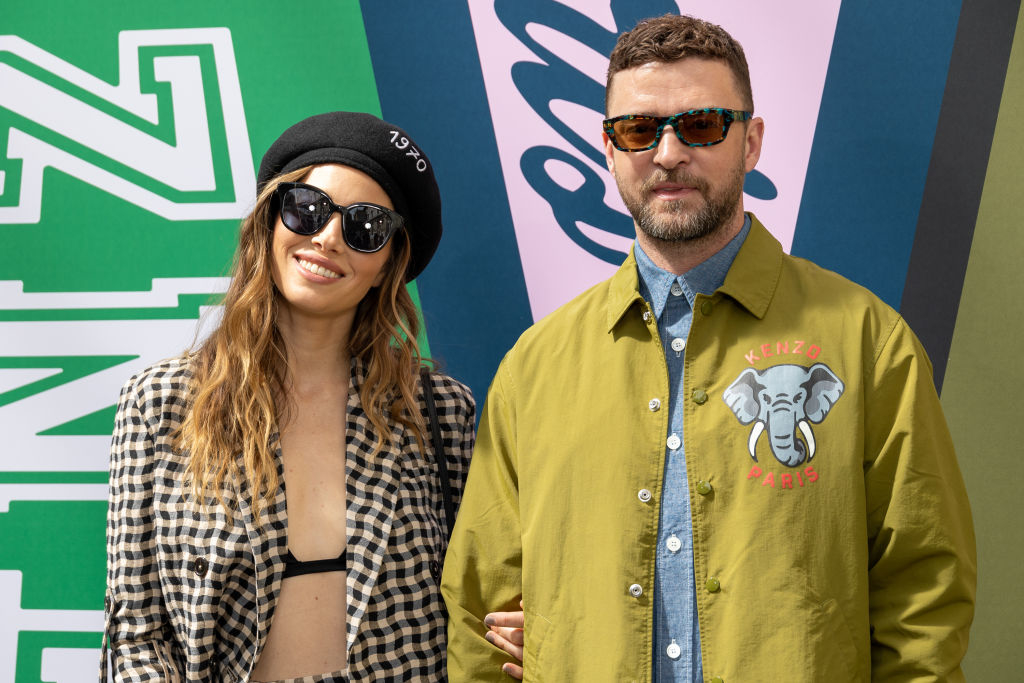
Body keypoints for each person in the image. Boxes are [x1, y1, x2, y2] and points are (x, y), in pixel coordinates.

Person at [442, 14, 976, 682]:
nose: (667, 153)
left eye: (700, 125)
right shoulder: (534, 366)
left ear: (750, 142)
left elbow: (923, 597)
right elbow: (480, 611)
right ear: (608, 150)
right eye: (638, 129)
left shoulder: (869, 344)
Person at [101, 111, 478, 681]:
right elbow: (135, 631)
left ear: (386, 266)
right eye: (308, 208)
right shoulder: (160, 403)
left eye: (365, 226)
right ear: (271, 221)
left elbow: (478, 601)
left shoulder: (440, 412)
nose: (327, 238)